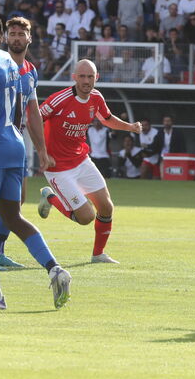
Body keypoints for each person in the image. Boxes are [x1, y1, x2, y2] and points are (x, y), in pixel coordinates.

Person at [0, 8, 71, 310]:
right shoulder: (9, 61)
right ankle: (55, 269)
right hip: (13, 146)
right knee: (12, 216)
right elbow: (20, 107)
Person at [36, 59, 142, 264]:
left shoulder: (96, 97)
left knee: (106, 208)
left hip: (81, 160)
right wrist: (42, 152)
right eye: (82, 76)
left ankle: (98, 255)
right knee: (86, 217)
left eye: (90, 76)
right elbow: (35, 118)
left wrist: (130, 127)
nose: (86, 80)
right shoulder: (60, 99)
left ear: (97, 78)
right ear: (74, 77)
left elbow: (107, 118)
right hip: (57, 167)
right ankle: (49, 197)